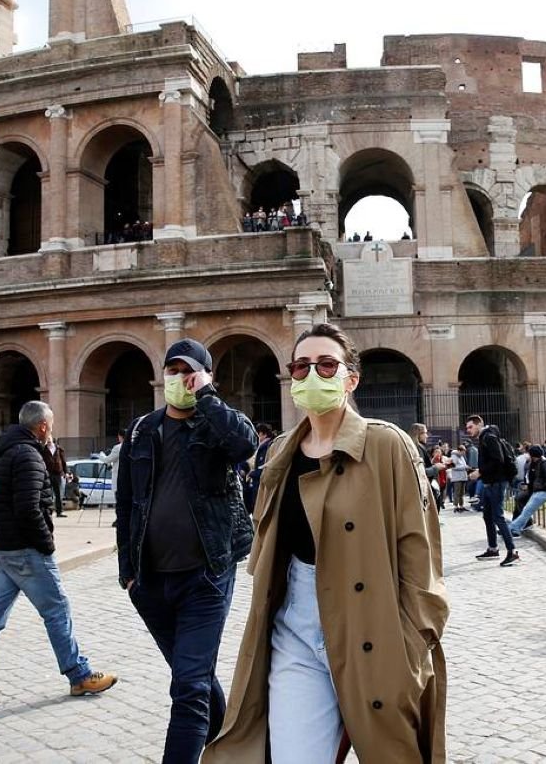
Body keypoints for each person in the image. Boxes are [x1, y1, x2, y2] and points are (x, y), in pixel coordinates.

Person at [205, 322, 449, 763]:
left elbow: (421, 556)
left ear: (351, 378)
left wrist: (414, 646)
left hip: (374, 630)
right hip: (295, 628)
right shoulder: (279, 452)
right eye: (300, 366)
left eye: (326, 364)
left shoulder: (387, 445)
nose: (311, 374)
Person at [116, 338, 257, 763]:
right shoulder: (143, 430)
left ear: (206, 375)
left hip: (206, 576)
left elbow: (245, 445)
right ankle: (230, 738)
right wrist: (129, 571)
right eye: (173, 371)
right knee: (191, 674)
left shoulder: (215, 426)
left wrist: (208, 397)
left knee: (189, 685)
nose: (180, 378)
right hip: (151, 582)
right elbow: (126, 503)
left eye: (189, 371)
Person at [0, 401, 118, 710]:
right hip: (25, 549)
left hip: (2, 546)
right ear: (42, 426)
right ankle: (79, 674)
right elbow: (29, 507)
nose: (51, 431)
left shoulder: (6, 452)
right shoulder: (28, 455)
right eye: (50, 426)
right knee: (56, 609)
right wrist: (47, 544)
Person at [465, 415, 518, 565]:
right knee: (488, 516)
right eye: (467, 428)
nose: (468, 430)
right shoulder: (485, 438)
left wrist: (480, 472)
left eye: (470, 427)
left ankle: (512, 551)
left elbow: (498, 459)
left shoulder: (488, 437)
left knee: (498, 516)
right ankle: (493, 548)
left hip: (497, 482)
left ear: (479, 424)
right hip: (490, 482)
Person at [508, 445, 546, 536]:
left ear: (533, 455)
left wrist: (539, 487)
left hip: (545, 491)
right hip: (537, 490)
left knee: (527, 510)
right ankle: (517, 526)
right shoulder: (535, 463)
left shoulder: (545, 463)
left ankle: (513, 528)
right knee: (520, 500)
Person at [244, 424, 276, 514]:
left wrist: (251, 474)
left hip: (260, 487)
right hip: (257, 485)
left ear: (264, 434)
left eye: (258, 434)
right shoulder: (262, 447)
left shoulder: (266, 448)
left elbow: (262, 469)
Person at [45, 435, 68, 518]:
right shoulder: (43, 449)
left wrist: (66, 472)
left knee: (58, 494)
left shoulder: (58, 449)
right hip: (48, 474)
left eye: (49, 439)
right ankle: (49, 511)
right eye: (47, 439)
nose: (48, 440)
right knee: (48, 493)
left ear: (52, 439)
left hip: (57, 474)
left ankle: (59, 511)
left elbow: (63, 461)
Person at [449, 444, 470, 511]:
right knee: (457, 492)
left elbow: (463, 464)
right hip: (457, 477)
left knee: (462, 493)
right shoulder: (454, 456)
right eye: (463, 452)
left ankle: (461, 506)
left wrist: (467, 467)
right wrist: (464, 467)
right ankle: (456, 506)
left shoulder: (462, 457)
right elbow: (453, 467)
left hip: (463, 476)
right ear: (459, 450)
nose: (464, 453)